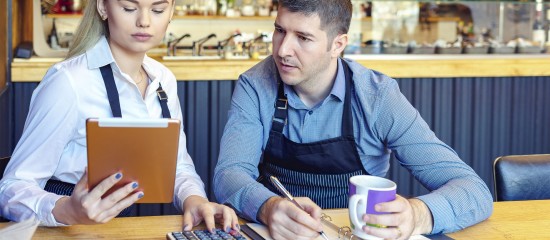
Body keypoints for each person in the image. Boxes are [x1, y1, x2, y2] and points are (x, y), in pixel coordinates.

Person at [213, 0, 493, 239]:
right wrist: (267, 206)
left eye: (303, 37)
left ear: (338, 45)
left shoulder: (377, 97)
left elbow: (473, 190)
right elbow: (229, 174)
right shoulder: (255, 84)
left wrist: (418, 214)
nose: (283, 49)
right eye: (279, 30)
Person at [0, 0, 239, 231]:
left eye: (157, 9)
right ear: (103, 7)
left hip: (120, 227)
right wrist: (67, 210)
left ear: (171, 11)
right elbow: (11, 188)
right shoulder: (68, 82)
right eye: (129, 8)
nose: (144, 21)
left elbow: (177, 166)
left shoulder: (163, 80)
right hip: (64, 230)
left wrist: (194, 200)